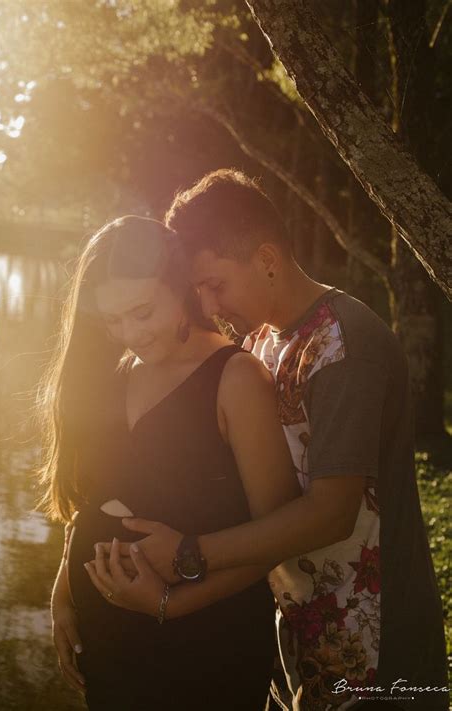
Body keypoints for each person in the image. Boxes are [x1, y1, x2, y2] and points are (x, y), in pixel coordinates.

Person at [110, 171, 448, 711]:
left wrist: (191, 554)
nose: (209, 303)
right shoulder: (261, 341)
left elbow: (332, 513)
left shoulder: (344, 344)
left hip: (378, 657)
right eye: (198, 289)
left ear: (267, 258)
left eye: (215, 284)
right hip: (298, 639)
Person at [40, 215, 299, 710]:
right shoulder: (116, 374)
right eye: (113, 320)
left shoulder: (236, 378)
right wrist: (63, 594)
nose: (129, 334)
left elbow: (276, 536)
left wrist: (169, 604)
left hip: (205, 642)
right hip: (108, 636)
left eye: (142, 312)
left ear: (182, 289)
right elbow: (94, 499)